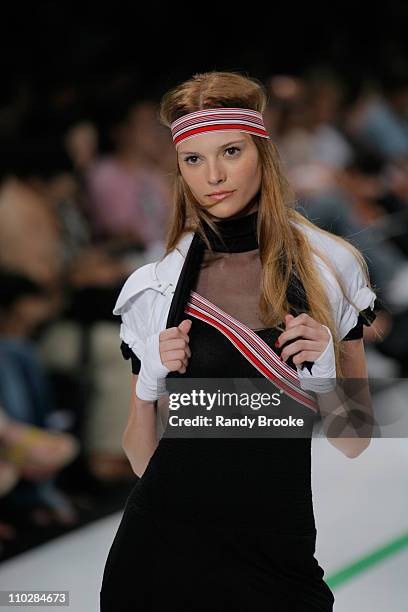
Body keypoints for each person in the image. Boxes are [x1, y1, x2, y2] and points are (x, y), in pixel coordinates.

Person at [100, 71, 379, 612]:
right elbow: (140, 460)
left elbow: (355, 439)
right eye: (194, 160)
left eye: (230, 151)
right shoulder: (154, 288)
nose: (215, 175)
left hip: (277, 550)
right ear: (179, 170)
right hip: (160, 547)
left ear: (262, 153)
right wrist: (150, 382)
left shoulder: (329, 268)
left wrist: (325, 377)